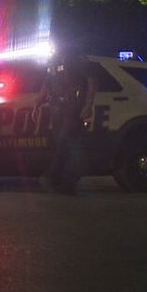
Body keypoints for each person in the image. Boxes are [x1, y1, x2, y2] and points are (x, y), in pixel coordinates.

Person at [39, 56, 96, 194]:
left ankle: (56, 179)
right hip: (57, 110)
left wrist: (88, 105)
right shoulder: (54, 61)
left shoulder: (76, 58)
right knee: (61, 144)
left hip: (73, 108)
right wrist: (37, 102)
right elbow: (47, 85)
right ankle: (59, 182)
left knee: (67, 143)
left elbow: (92, 82)